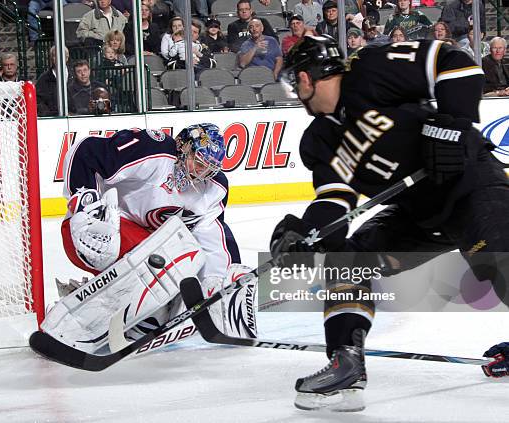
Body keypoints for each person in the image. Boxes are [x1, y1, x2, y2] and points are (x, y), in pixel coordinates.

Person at [273, 35, 509, 411]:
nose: (294, 95)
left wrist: (450, 124)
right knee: (347, 260)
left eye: (291, 84)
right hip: (417, 212)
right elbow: (336, 199)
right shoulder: (319, 138)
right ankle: (346, 362)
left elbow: (456, 61)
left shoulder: (371, 69)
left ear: (305, 78)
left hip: (471, 186)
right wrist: (308, 234)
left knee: (499, 262)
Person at [41, 124, 257, 354]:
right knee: (159, 258)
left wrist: (220, 281)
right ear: (183, 147)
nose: (200, 173)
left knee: (187, 261)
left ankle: (130, 315)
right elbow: (85, 151)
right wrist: (86, 210)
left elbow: (212, 236)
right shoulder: (155, 150)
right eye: (199, 162)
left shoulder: (214, 188)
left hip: (147, 248)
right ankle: (85, 317)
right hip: (96, 232)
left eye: (209, 168)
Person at [36, 46, 70, 117]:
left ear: (67, 58)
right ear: (51, 59)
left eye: (61, 56)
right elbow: (39, 102)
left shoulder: (75, 75)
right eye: (55, 56)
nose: (58, 58)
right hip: (53, 119)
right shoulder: (43, 79)